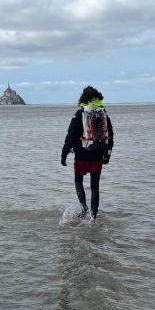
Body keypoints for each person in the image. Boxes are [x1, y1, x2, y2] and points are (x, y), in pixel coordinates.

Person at [61, 85, 114, 219]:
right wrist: (107, 155)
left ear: (83, 99)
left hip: (81, 157)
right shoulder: (103, 114)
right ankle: (94, 216)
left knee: (78, 180)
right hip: (98, 157)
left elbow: (70, 135)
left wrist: (64, 154)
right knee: (95, 186)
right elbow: (110, 136)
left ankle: (84, 208)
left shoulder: (80, 114)